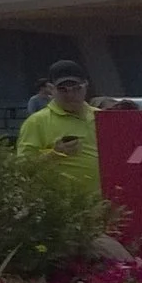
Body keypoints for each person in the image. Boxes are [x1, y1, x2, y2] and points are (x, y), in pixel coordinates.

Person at [16, 59, 100, 196]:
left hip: (104, 203)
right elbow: (22, 168)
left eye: (76, 88)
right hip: (61, 207)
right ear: (51, 89)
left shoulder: (101, 117)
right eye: (63, 90)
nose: (70, 95)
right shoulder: (37, 122)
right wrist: (54, 154)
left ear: (86, 85)